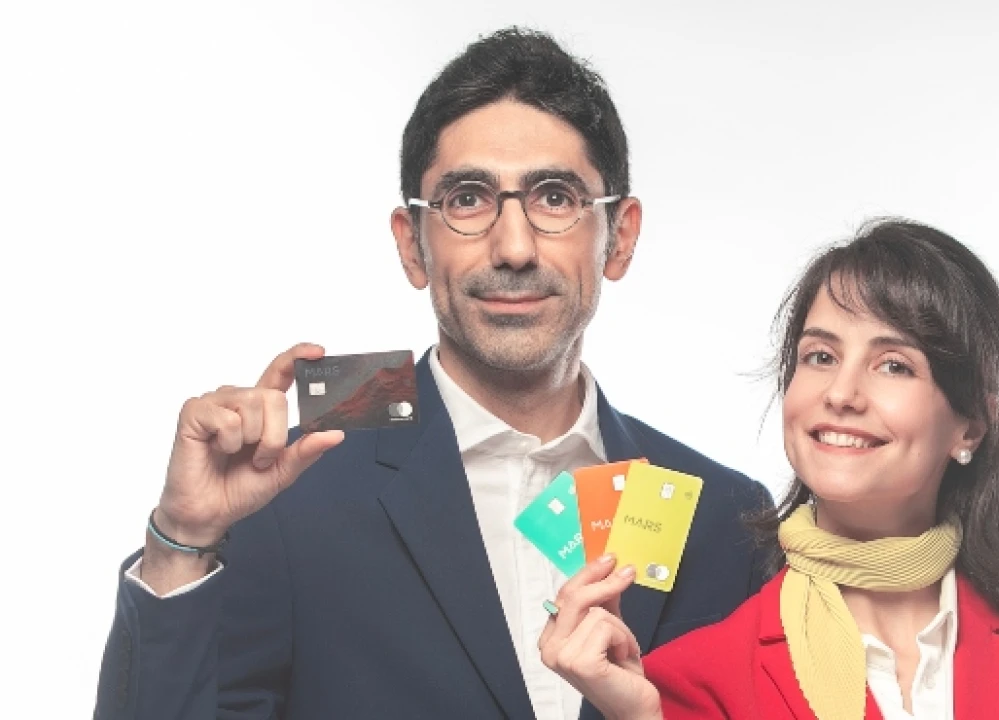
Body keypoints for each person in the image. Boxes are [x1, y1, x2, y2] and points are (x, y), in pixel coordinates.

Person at [93, 28, 774, 720]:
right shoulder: (285, 493)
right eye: (468, 200)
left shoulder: (727, 518)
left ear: (619, 237)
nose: (514, 248)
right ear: (412, 246)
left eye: (555, 198)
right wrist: (181, 542)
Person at [540, 218, 999, 719]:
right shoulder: (689, 683)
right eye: (821, 356)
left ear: (971, 426)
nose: (842, 393)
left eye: (895, 365)